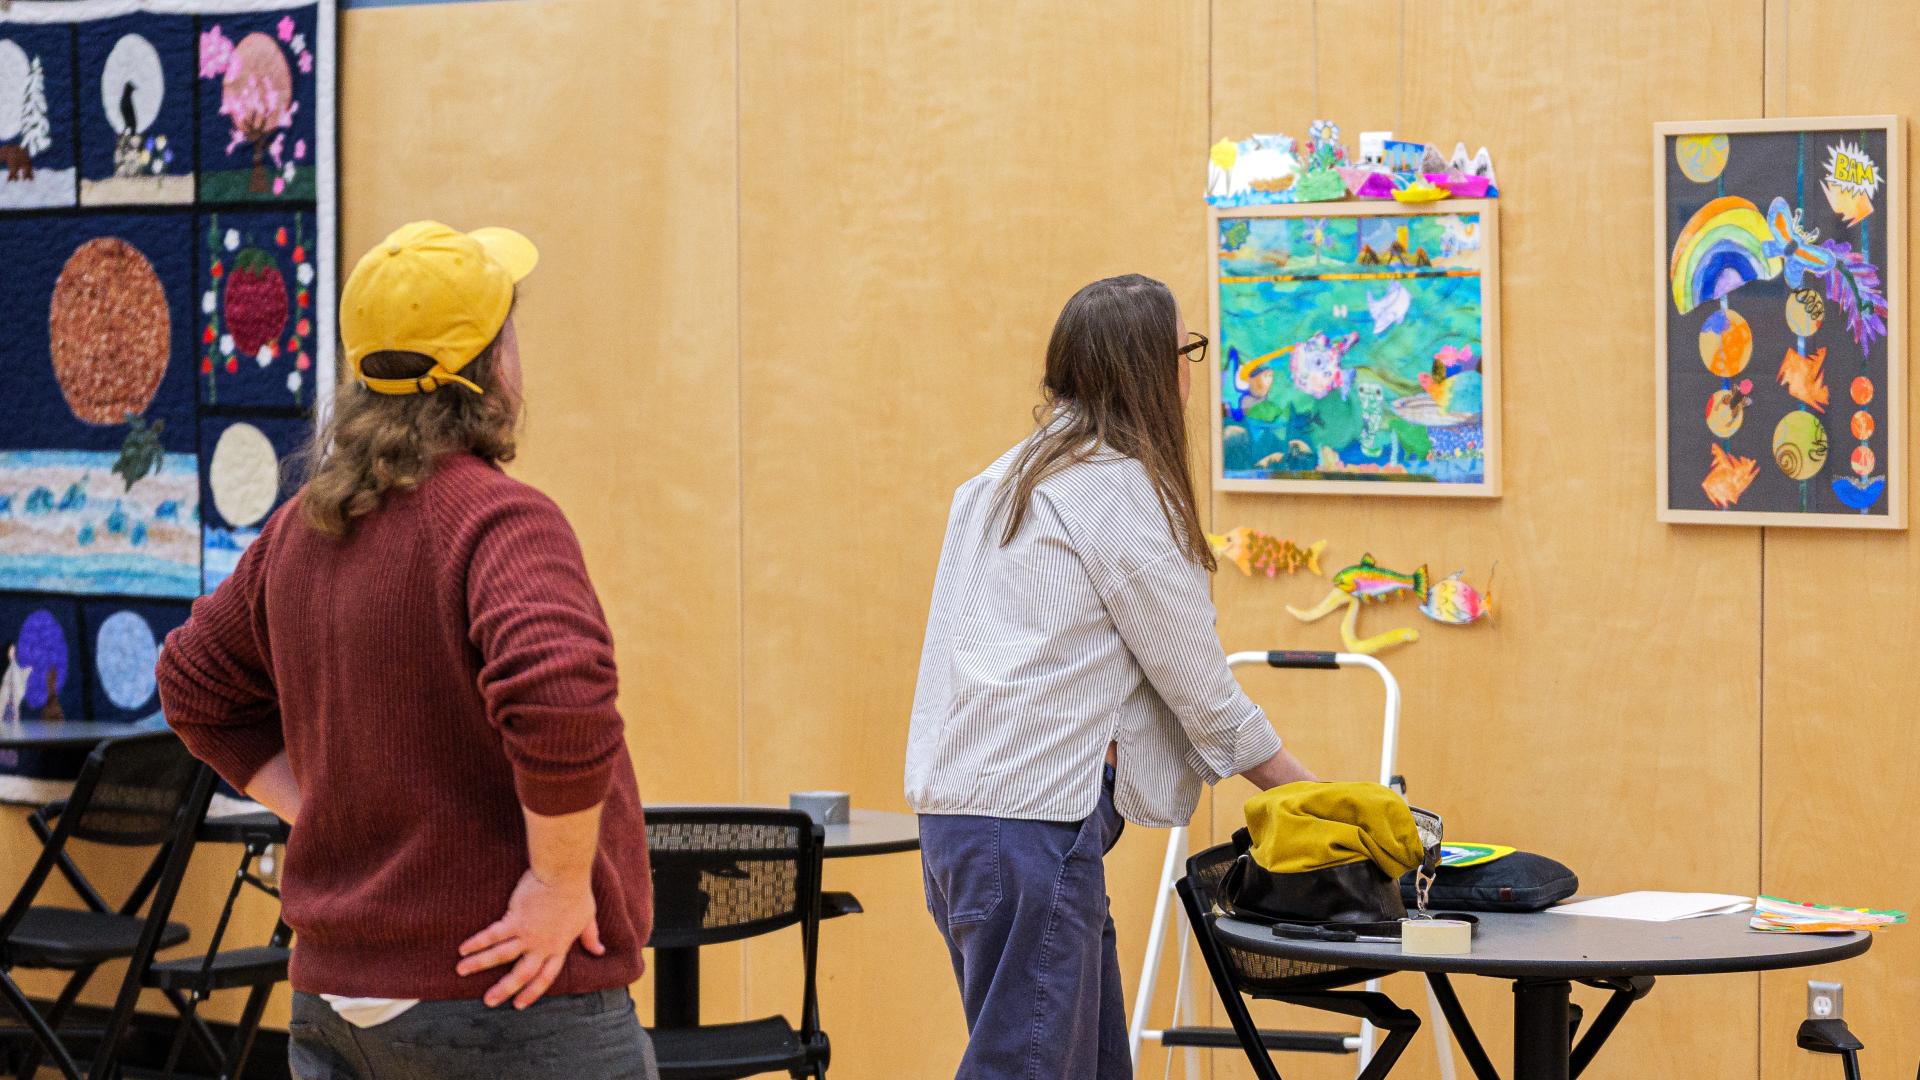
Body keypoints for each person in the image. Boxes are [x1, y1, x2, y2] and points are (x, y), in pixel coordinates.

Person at [158, 221, 658, 1080]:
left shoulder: (300, 531)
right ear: (491, 368)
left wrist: (326, 800)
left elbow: (192, 683)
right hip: (508, 994)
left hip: (336, 1000)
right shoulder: (499, 518)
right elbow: (563, 695)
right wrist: (557, 883)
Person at [904, 273, 1318, 1079]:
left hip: (965, 827)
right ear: (1152, 369)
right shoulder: (1115, 490)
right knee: (1025, 1068)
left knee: (1090, 1067)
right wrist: (1306, 793)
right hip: (1032, 828)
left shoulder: (1002, 480)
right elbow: (1198, 683)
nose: (1192, 369)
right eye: (1187, 351)